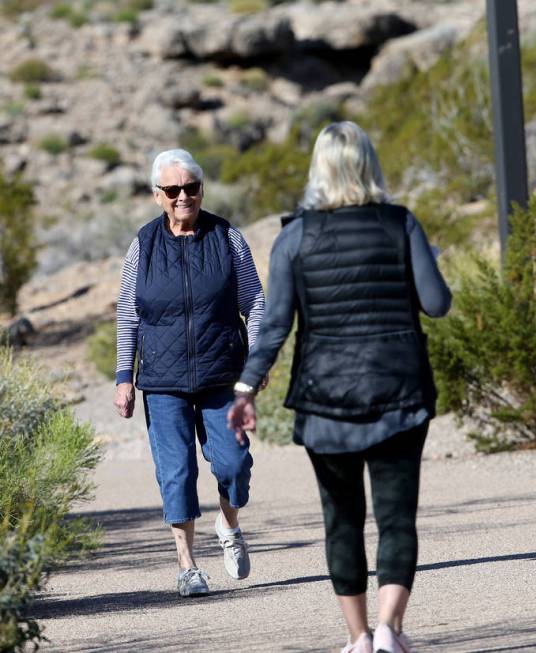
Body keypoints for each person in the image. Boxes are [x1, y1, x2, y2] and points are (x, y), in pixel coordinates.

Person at [227, 121, 451, 653]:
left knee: (342, 519)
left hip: (326, 401)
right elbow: (438, 304)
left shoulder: (294, 237)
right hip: (399, 392)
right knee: (398, 517)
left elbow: (275, 324)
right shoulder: (402, 225)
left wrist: (246, 389)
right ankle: (391, 630)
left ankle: (358, 638)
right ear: (369, 163)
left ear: (318, 170)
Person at [113, 149, 266, 597]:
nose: (184, 197)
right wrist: (124, 374)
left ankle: (230, 524)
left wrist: (256, 360)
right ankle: (187, 566)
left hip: (223, 374)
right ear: (157, 195)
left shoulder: (228, 238)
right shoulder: (142, 244)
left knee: (234, 465)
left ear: (202, 189)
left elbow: (255, 301)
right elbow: (128, 312)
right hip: (162, 381)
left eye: (192, 188)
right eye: (174, 190)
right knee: (176, 473)